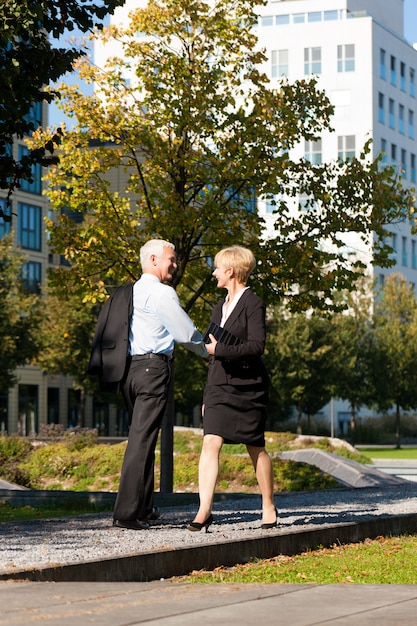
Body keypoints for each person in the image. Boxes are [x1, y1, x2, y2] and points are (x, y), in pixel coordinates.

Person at [91, 239, 208, 530]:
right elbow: (184, 332)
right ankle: (127, 513)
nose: (175, 264)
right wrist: (207, 351)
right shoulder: (161, 293)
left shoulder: (127, 292)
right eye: (172, 258)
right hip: (153, 369)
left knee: (145, 436)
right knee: (142, 439)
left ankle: (142, 507)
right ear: (153, 259)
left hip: (129, 371)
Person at [187, 245, 276, 532]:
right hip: (219, 385)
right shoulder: (218, 307)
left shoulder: (253, 303)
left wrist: (219, 349)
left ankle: (268, 505)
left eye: (217, 268)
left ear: (231, 271)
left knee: (255, 448)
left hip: (248, 386)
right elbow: (212, 353)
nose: (213, 273)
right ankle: (204, 510)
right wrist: (206, 395)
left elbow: (256, 346)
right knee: (210, 442)